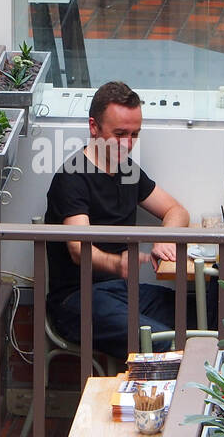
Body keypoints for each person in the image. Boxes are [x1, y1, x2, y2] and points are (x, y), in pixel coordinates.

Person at [45, 81, 204, 359]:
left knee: (205, 316)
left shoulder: (128, 170)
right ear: (94, 127)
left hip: (123, 292)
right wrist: (117, 263)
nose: (127, 144)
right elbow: (78, 249)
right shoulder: (71, 178)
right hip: (77, 300)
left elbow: (177, 211)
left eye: (134, 134)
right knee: (158, 342)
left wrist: (161, 239)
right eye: (119, 134)